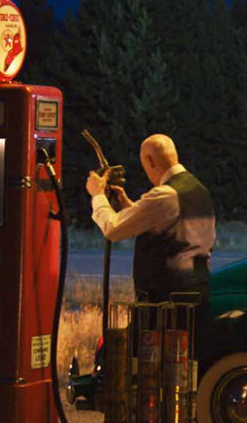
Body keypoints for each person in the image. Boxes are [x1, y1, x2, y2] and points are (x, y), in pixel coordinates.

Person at [85, 134, 216, 358]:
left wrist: (98, 196)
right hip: (195, 302)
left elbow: (113, 229)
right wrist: (129, 206)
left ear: (151, 161)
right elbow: (169, 222)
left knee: (142, 370)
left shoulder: (165, 194)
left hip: (162, 308)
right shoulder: (198, 190)